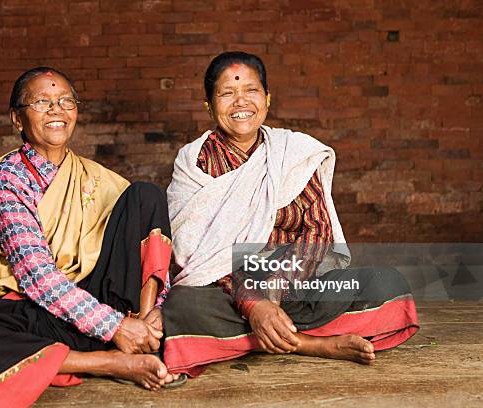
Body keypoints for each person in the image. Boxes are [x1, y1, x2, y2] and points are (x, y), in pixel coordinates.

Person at [0, 67, 180, 408]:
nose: (56, 109)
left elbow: (140, 248)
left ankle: (143, 335)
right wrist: (114, 328)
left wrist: (144, 321)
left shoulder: (98, 179)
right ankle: (112, 362)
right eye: (42, 102)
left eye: (65, 100)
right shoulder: (11, 175)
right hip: (49, 311)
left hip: (113, 307)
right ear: (18, 120)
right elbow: (37, 277)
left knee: (146, 195)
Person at [162, 51, 419, 377]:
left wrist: (273, 292)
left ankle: (260, 337)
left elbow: (318, 233)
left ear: (267, 98)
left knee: (386, 285)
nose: (241, 102)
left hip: (292, 286)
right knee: (182, 307)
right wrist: (253, 304)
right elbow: (191, 253)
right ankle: (309, 343)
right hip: (222, 292)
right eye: (227, 94)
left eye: (251, 91)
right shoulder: (195, 163)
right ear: (209, 107)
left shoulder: (293, 153)